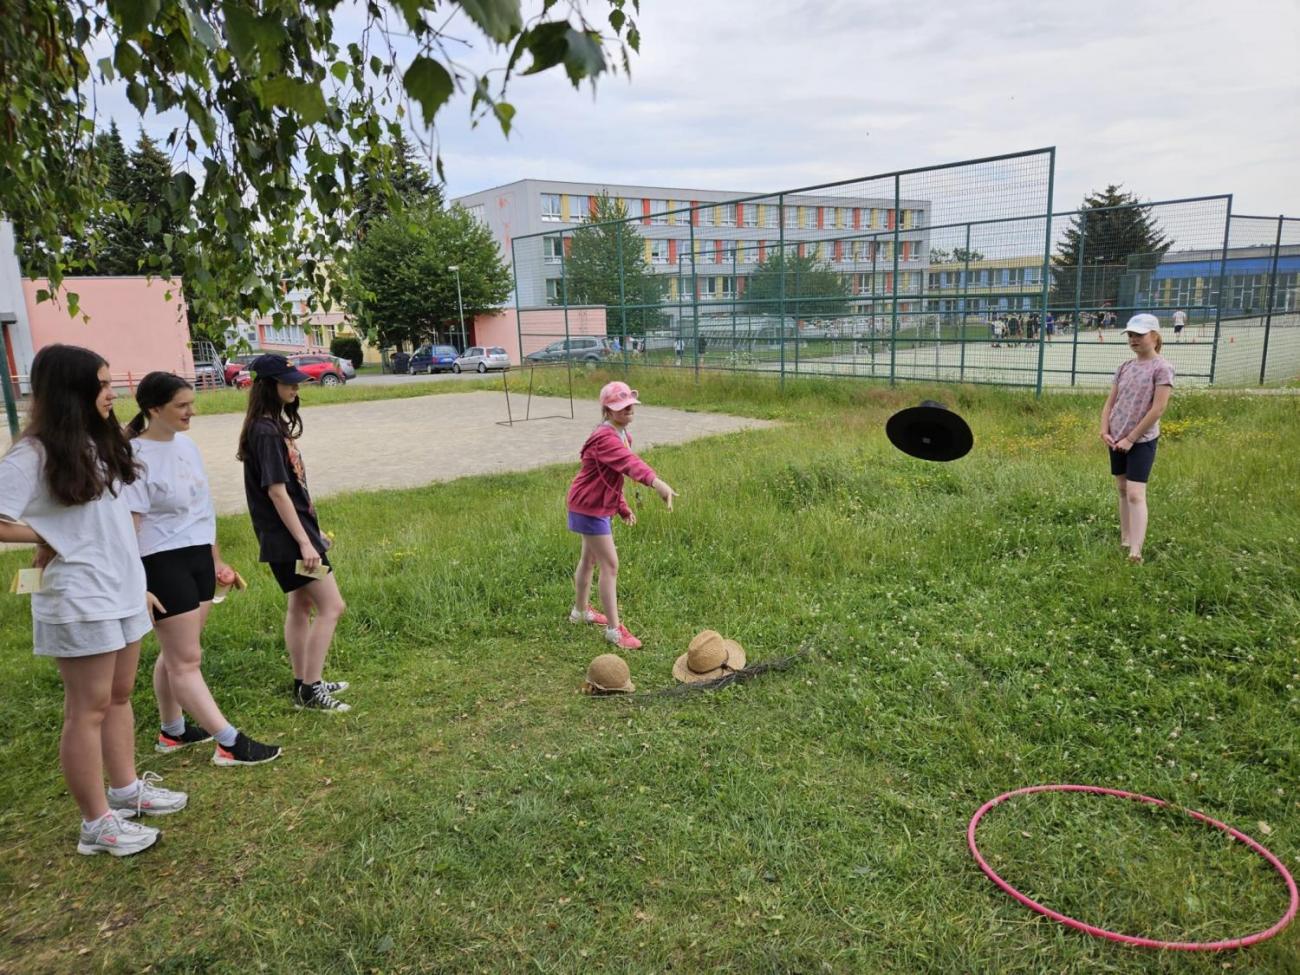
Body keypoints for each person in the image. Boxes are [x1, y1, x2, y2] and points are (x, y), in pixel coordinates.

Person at [0, 345, 187, 857]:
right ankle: (95, 824)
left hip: (122, 587)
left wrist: (137, 582)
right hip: (79, 596)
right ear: (71, 390)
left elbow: (107, 520)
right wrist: (43, 537)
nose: (112, 392)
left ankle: (125, 790)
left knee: (120, 695)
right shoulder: (33, 453)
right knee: (87, 708)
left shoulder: (97, 441)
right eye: (102, 384)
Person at [125, 372, 282, 765]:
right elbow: (129, 527)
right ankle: (228, 743)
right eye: (181, 406)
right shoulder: (134, 457)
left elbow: (201, 508)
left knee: (176, 652)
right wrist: (134, 580)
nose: (191, 412)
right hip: (160, 561)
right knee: (186, 660)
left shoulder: (188, 446)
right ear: (154, 409)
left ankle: (172, 731)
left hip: (197, 556)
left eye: (190, 403)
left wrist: (216, 560)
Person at [237, 354, 351, 712]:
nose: (295, 386)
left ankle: (304, 680)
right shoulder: (265, 431)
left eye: (296, 380)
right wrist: (305, 542)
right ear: (267, 386)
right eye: (288, 381)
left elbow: (294, 490)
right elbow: (276, 491)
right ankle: (311, 689)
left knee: (300, 605)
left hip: (293, 538)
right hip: (290, 542)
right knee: (332, 606)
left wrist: (313, 533)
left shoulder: (270, 425)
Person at [566, 381, 676, 650]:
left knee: (589, 559)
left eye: (630, 405)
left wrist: (621, 506)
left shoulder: (621, 434)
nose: (628, 410)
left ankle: (580, 612)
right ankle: (615, 631)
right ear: (607, 410)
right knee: (610, 565)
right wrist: (657, 483)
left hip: (595, 504)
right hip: (588, 506)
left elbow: (612, 477)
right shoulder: (605, 437)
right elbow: (628, 464)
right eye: (621, 406)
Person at [1099, 314, 1174, 564]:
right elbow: (1111, 402)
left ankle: (1136, 551)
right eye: (1130, 335)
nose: (1133, 340)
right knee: (1122, 489)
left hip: (1140, 441)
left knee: (1135, 493)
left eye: (1139, 335)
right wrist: (1104, 430)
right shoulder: (1124, 367)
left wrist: (1131, 438)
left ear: (1154, 336)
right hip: (1116, 438)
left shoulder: (1161, 368)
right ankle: (1125, 538)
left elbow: (1158, 409)